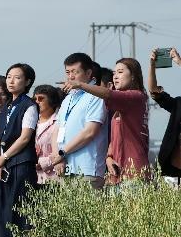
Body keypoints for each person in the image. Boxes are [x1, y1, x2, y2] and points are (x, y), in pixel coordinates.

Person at [62, 57, 150, 185]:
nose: (115, 76)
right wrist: (109, 157)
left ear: (133, 76)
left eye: (120, 72)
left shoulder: (136, 96)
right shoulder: (121, 105)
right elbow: (115, 137)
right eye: (114, 73)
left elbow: (108, 94)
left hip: (134, 171)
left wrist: (80, 85)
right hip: (118, 171)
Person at [0, 64, 39, 237]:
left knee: (20, 217)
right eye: (9, 76)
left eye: (17, 77)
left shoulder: (29, 106)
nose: (11, 81)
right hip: (4, 167)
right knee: (4, 216)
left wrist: (4, 158)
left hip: (20, 165)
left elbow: (25, 137)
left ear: (27, 82)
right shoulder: (6, 107)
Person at [49, 53, 108, 190]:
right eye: (68, 72)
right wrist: (57, 156)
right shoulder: (68, 98)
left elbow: (89, 132)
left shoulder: (96, 96)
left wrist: (62, 153)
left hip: (86, 170)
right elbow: (56, 130)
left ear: (88, 73)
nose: (71, 76)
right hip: (65, 168)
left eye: (75, 72)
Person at [149, 47, 181, 184]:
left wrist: (179, 62)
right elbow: (154, 92)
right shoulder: (178, 104)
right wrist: (152, 66)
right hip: (174, 170)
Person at [33, 85, 62, 186]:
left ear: (52, 101)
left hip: (53, 177)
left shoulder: (59, 122)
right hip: (32, 176)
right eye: (35, 99)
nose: (37, 102)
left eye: (41, 99)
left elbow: (62, 150)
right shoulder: (30, 121)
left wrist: (43, 163)